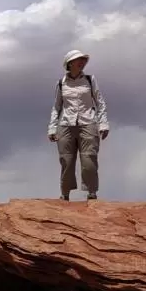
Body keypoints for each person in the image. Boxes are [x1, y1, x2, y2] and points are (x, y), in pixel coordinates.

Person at [47, 49, 109, 200]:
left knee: (89, 159)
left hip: (88, 122)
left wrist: (103, 124)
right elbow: (56, 107)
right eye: (78, 60)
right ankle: (65, 194)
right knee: (66, 160)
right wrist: (52, 128)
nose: (81, 62)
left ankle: (92, 193)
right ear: (70, 63)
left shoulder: (90, 80)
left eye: (83, 60)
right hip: (66, 125)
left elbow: (99, 102)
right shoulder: (61, 83)